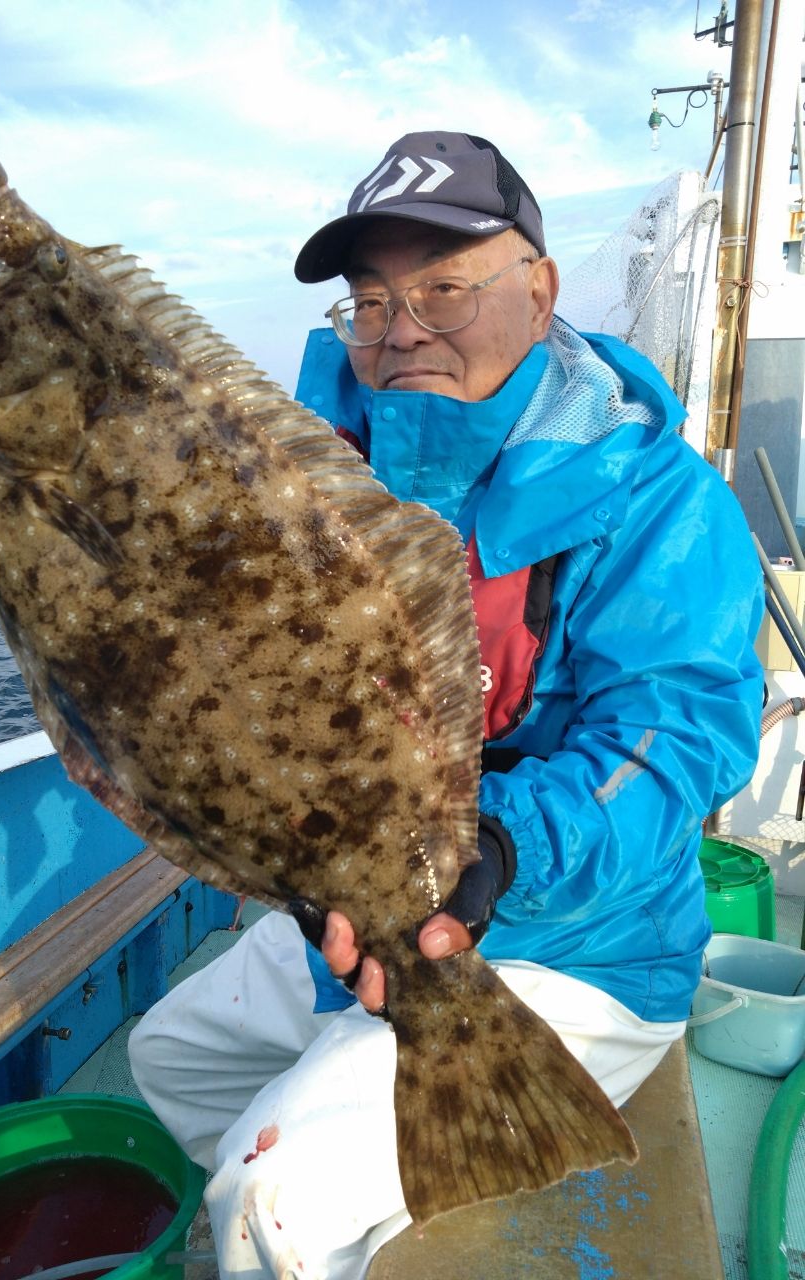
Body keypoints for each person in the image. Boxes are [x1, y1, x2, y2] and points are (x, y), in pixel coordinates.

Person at [129, 131, 764, 1279]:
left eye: (444, 288)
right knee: (172, 1052)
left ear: (540, 286)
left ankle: (321, 1207)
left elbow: (677, 735)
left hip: (583, 944)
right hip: (360, 915)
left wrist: (497, 845)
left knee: (269, 1192)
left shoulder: (659, 497)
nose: (402, 328)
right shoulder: (311, 476)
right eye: (368, 302)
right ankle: (383, 1201)